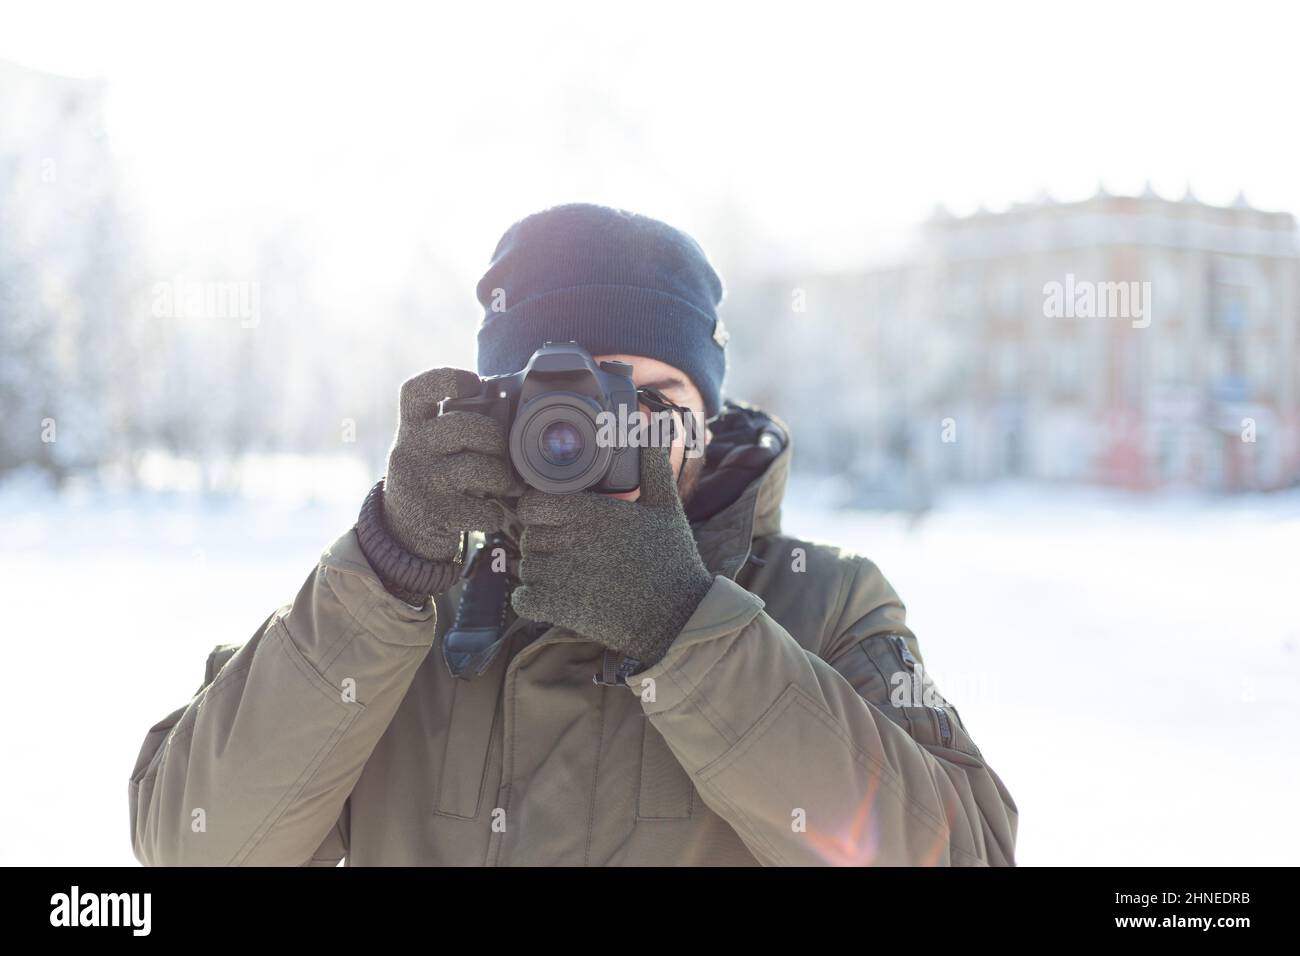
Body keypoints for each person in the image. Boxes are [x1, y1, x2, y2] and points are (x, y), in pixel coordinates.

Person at [129, 203, 1017, 866]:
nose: (613, 434)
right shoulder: (395, 609)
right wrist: (388, 566)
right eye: (576, 400)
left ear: (712, 421)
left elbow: (965, 855)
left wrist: (684, 624)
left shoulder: (824, 603)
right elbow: (194, 844)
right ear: (494, 410)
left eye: (657, 403)